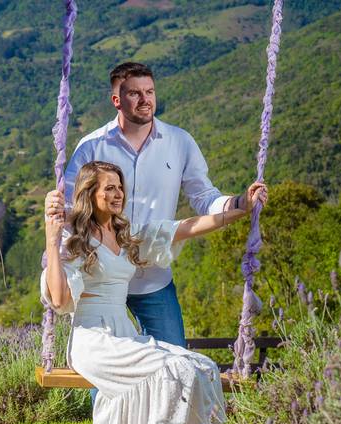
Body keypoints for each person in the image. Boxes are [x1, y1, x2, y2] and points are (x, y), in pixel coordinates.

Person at [42, 160, 267, 424]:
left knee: (202, 367)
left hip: (124, 334)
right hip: (94, 340)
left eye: (120, 187)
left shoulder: (125, 236)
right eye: (109, 188)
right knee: (179, 369)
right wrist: (52, 240)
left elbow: (184, 227)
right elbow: (59, 299)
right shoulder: (76, 241)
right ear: (90, 193)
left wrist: (241, 208)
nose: (118, 194)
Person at [63, 62, 249, 350]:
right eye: (134, 93)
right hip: (100, 276)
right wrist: (59, 259)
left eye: (149, 92)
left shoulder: (179, 142)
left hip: (152, 279)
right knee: (105, 363)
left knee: (173, 355)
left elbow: (204, 197)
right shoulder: (91, 147)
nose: (145, 99)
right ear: (117, 100)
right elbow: (70, 209)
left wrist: (238, 203)